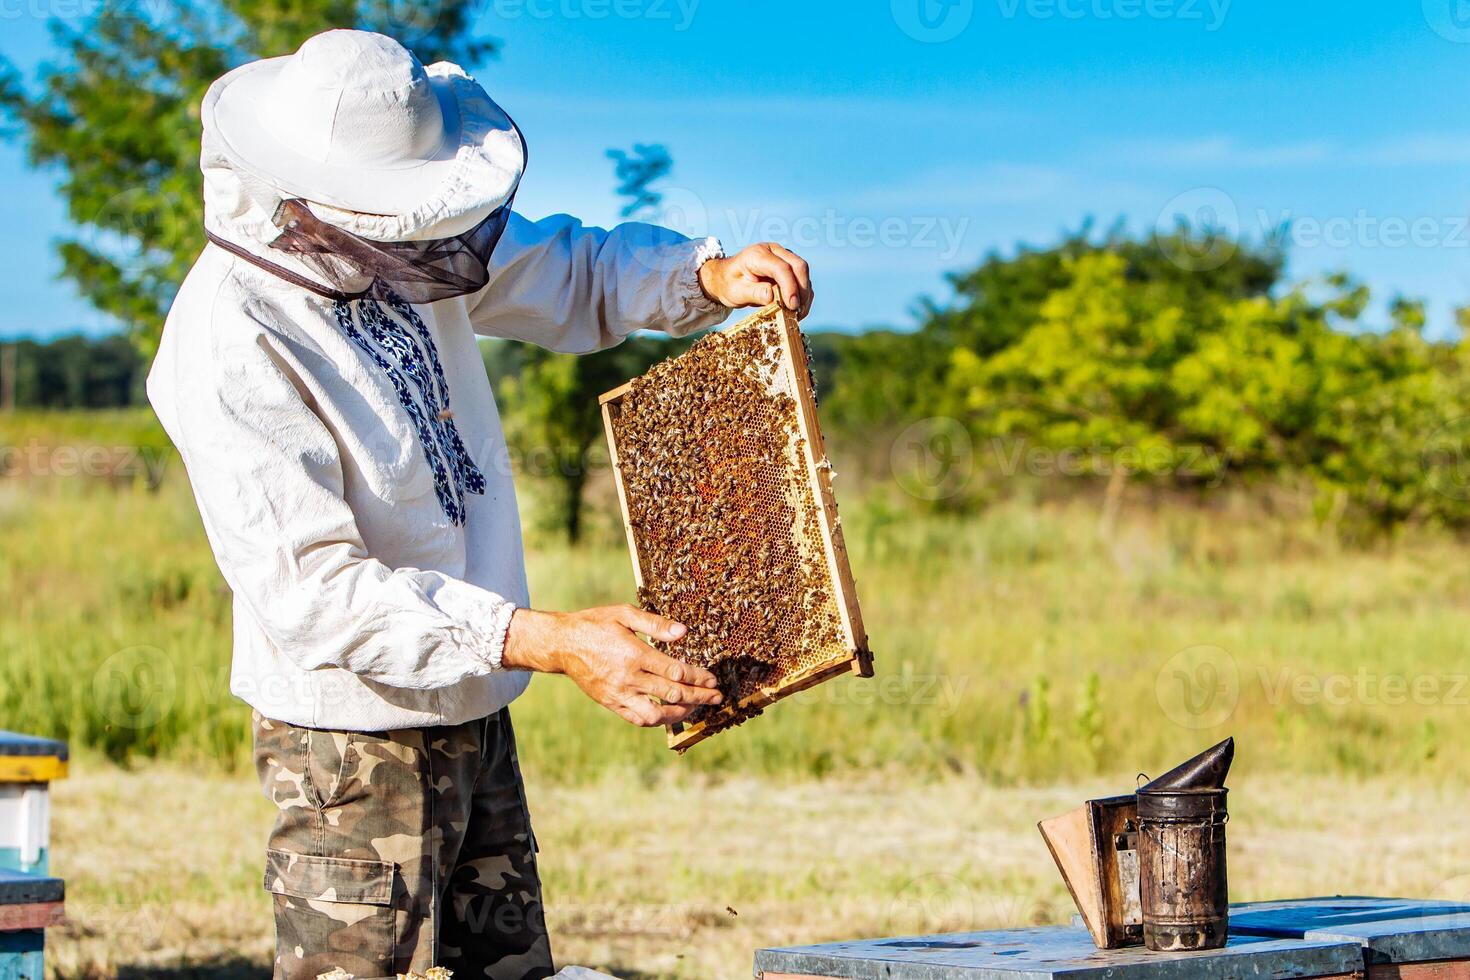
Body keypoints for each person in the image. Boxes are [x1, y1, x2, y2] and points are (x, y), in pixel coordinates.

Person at [147, 28, 815, 980]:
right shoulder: (229, 344)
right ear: (312, 204)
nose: (436, 247)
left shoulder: (403, 239)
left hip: (475, 700)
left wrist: (698, 278)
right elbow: (317, 592)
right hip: (352, 735)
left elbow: (560, 267)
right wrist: (552, 641)